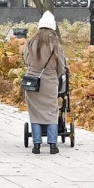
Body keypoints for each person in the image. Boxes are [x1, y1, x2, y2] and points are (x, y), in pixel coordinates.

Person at [22, 11, 67, 155]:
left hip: (32, 82)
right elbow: (61, 66)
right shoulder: (55, 45)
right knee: (52, 111)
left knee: (34, 112)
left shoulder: (30, 43)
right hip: (50, 82)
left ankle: (36, 145)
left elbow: (26, 60)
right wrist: (54, 76)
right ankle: (53, 145)